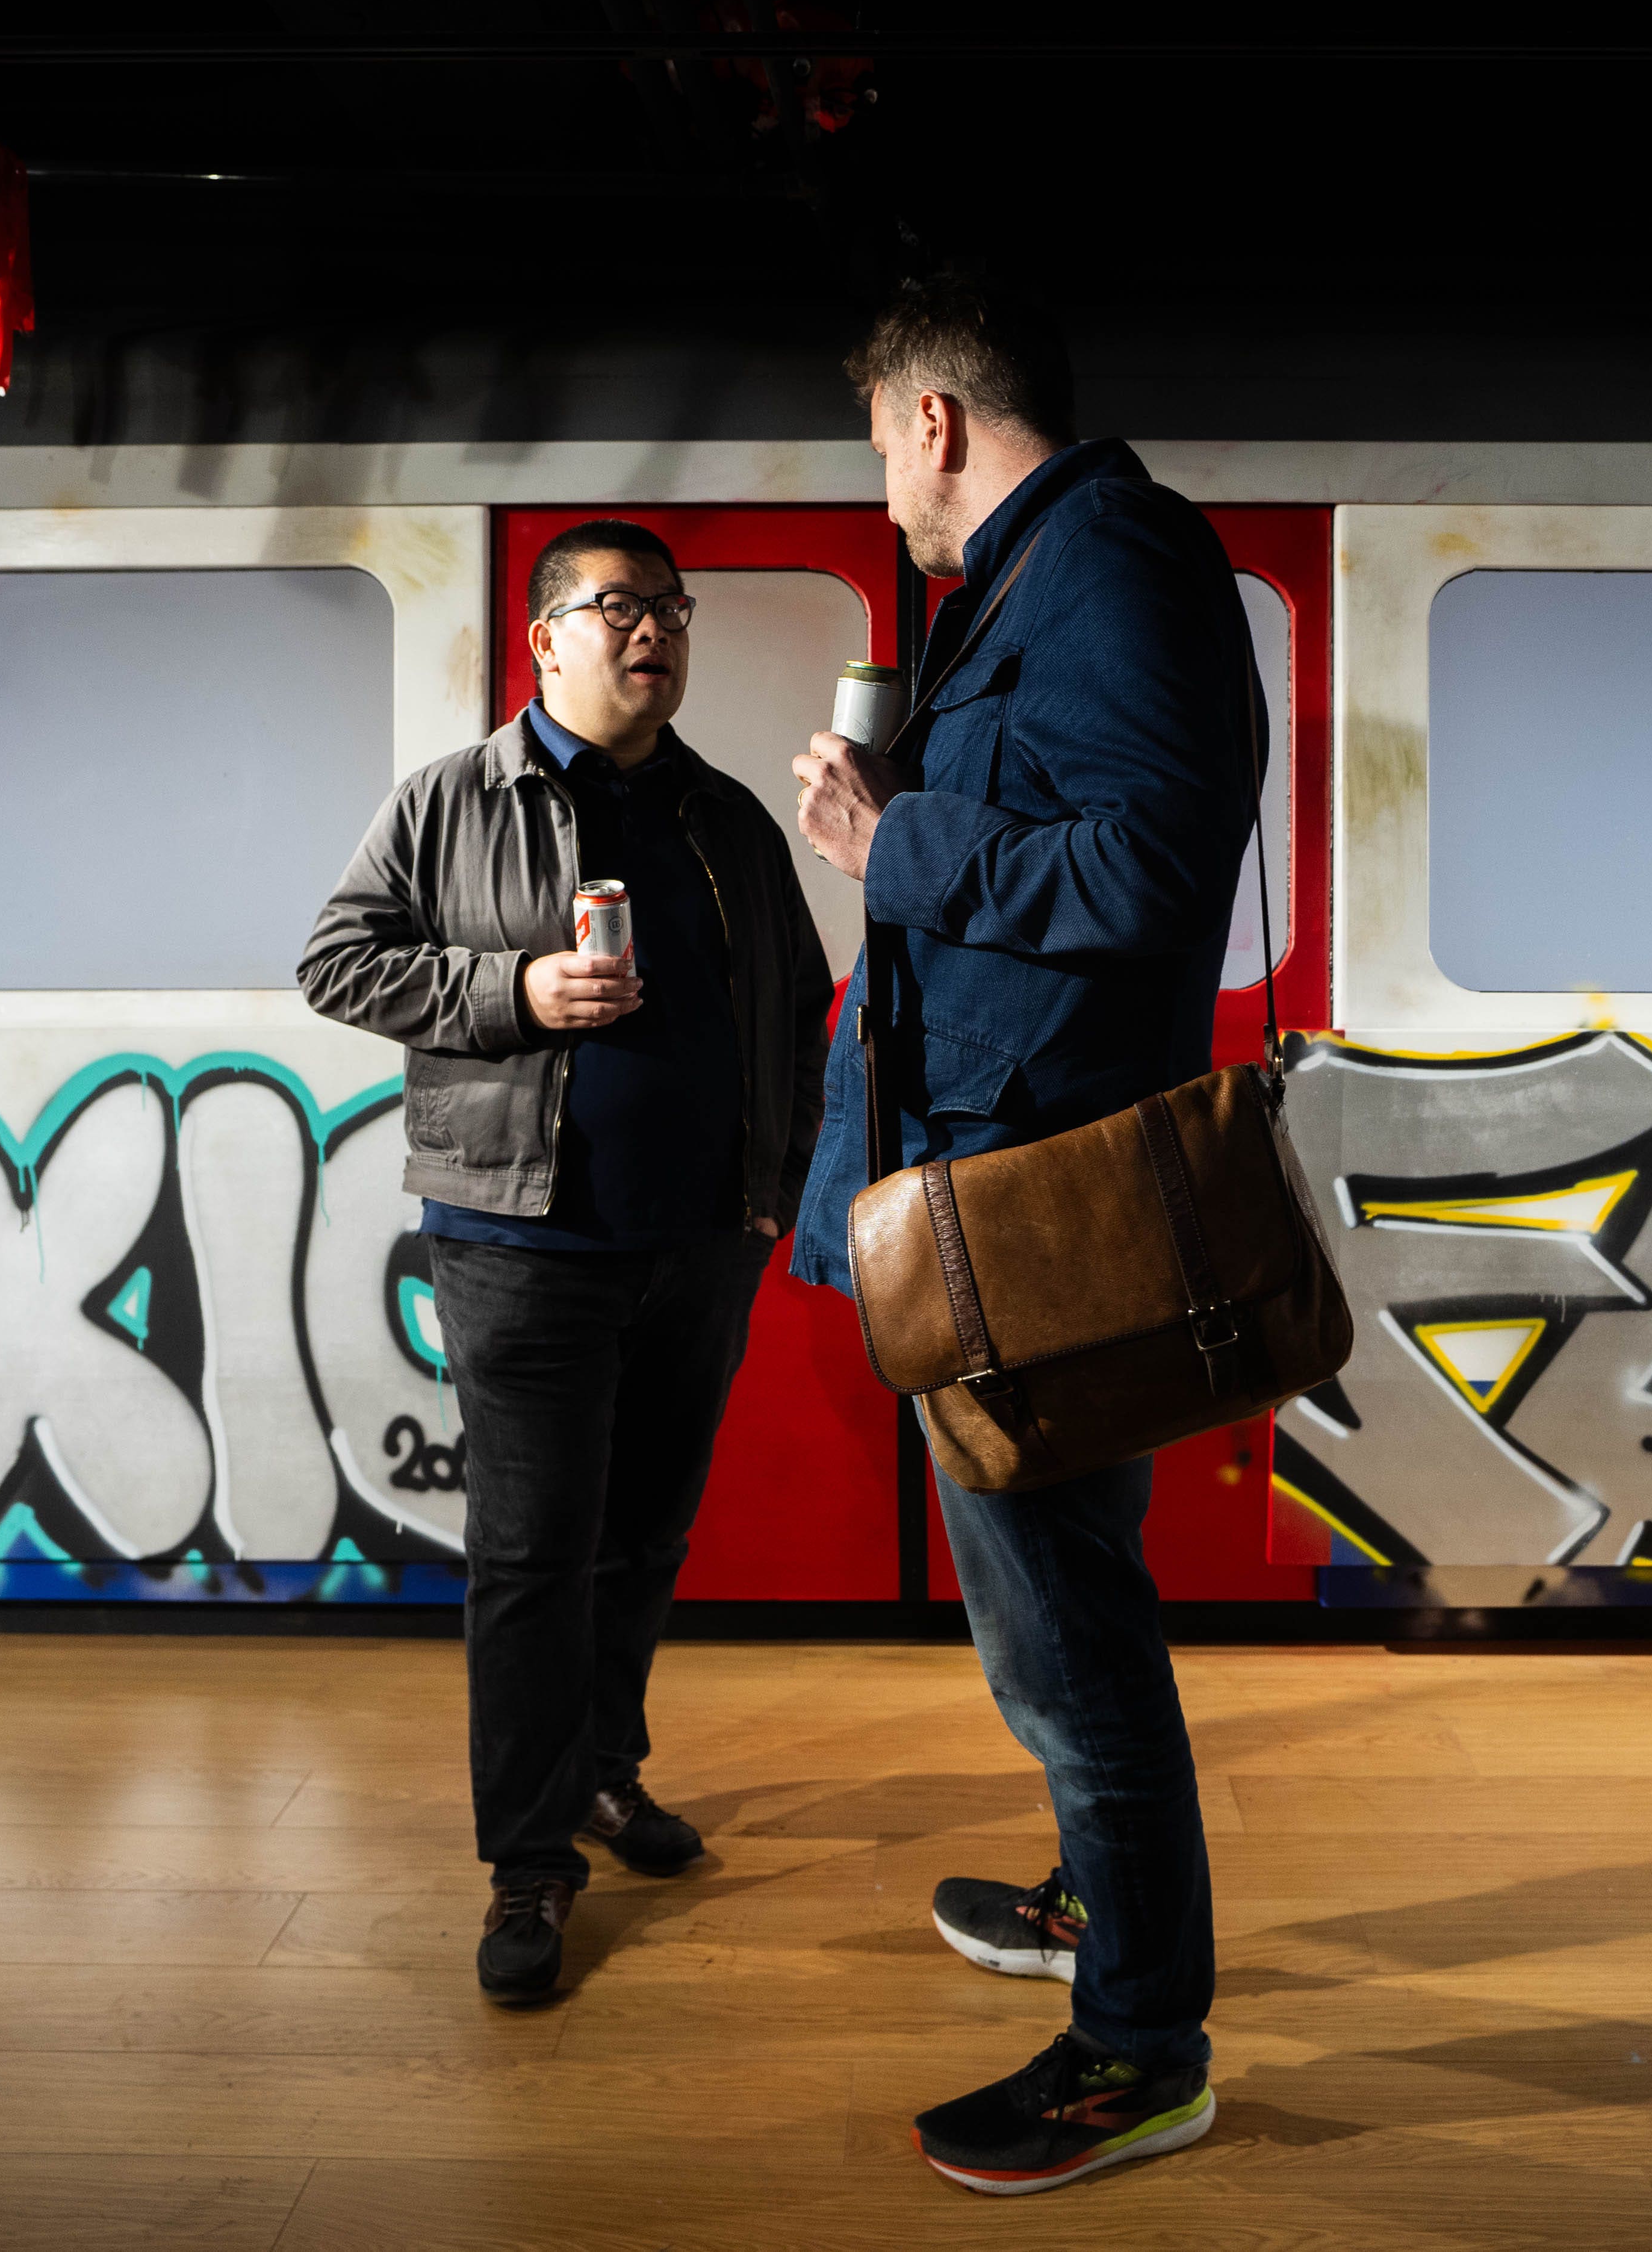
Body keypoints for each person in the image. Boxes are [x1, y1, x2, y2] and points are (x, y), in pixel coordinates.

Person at [789, 273, 1261, 2193]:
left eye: (877, 444)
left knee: (1071, 1641)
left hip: (1028, 1210)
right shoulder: (1050, 579)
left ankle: (1142, 2045)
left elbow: (1154, 867)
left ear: (932, 419)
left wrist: (891, 842)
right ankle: (1097, 1902)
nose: (883, 489)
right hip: (998, 1184)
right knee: (1072, 1598)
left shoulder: (1113, 565)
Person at [300, 518, 830, 2005]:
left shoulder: (726, 818)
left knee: (644, 1537)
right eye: (618, 607)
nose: (652, 629)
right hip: (517, 1243)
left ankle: (604, 1770)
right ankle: (528, 1862)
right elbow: (337, 959)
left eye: (671, 608)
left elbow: (799, 1004)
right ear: (543, 639)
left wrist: (771, 1191)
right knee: (532, 1561)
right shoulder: (451, 801)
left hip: (698, 1246)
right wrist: (513, 988)